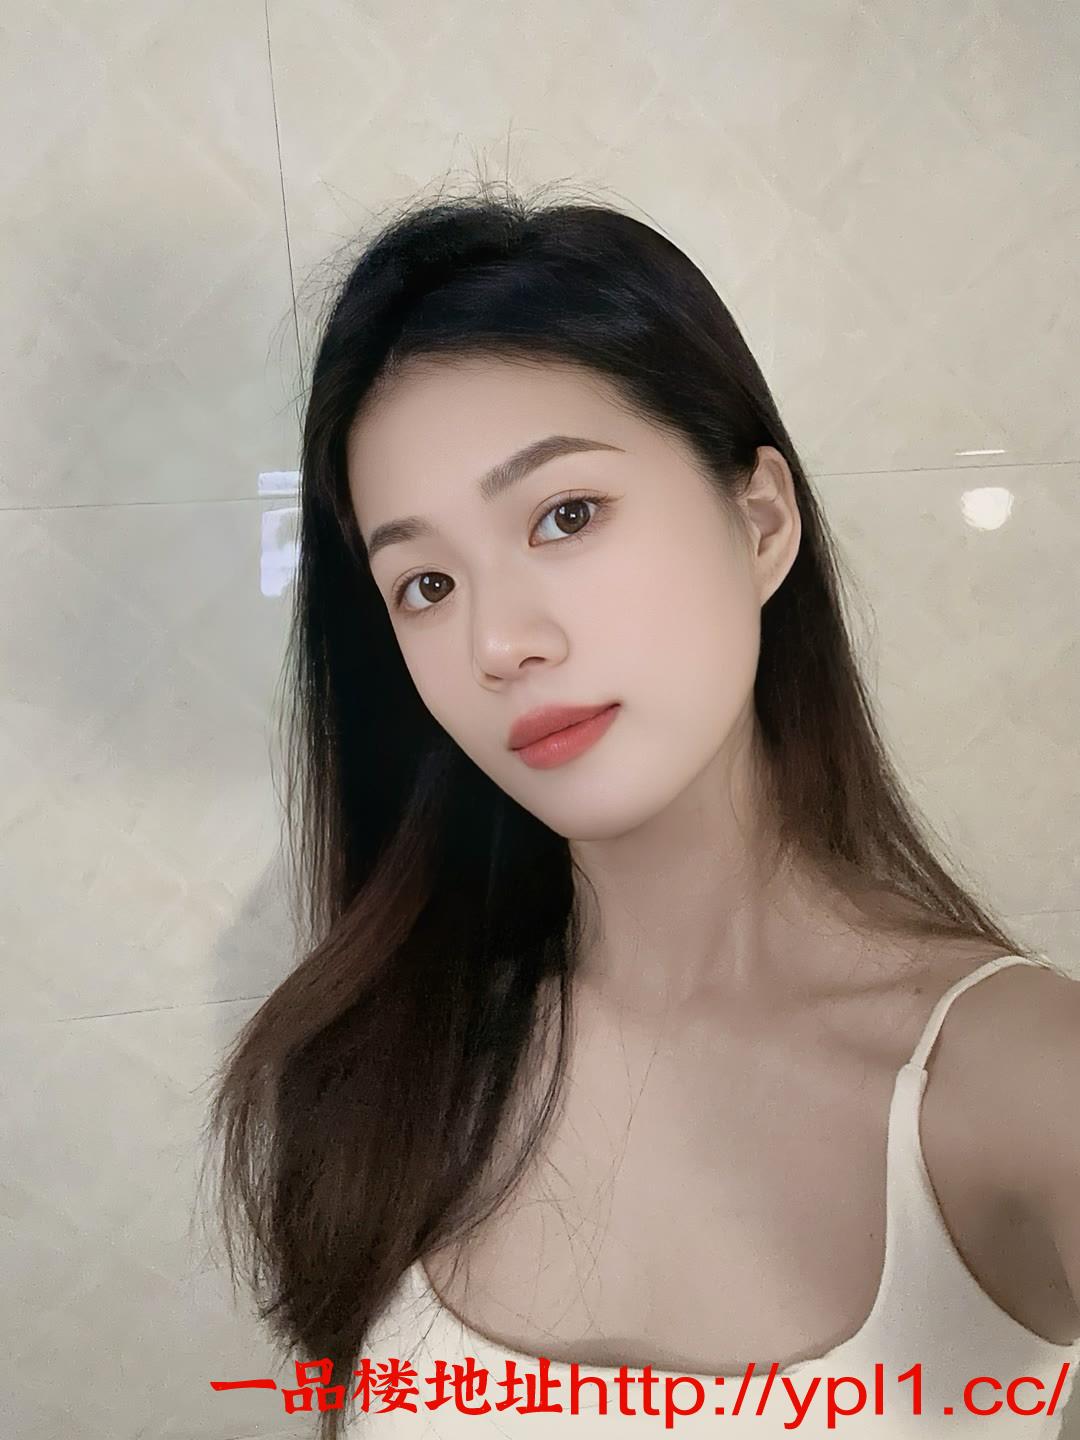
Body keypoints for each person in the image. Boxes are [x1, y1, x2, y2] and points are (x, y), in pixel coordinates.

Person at [204, 181, 1080, 1438]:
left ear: (760, 521)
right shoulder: (385, 1063)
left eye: (566, 515)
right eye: (425, 583)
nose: (498, 642)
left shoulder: (1020, 1087)